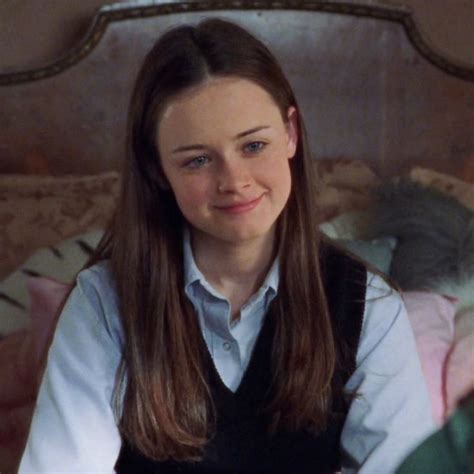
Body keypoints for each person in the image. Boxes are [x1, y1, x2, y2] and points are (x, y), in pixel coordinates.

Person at [19, 18, 435, 473]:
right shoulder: (103, 305)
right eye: (198, 160)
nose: (234, 182)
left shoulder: (369, 307)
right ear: (157, 168)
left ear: (291, 133)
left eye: (254, 145)